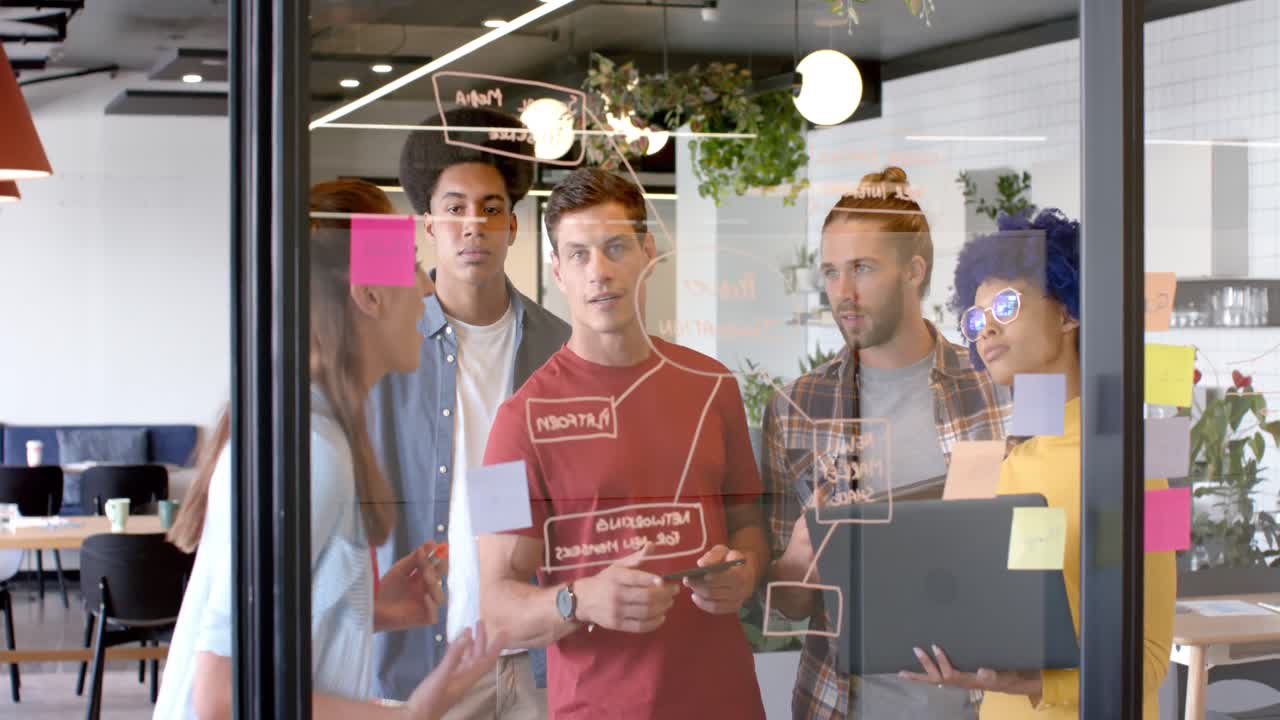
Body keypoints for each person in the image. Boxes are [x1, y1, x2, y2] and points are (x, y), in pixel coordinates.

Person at [155, 180, 503, 720]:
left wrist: (362, 609)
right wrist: (412, 716)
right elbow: (223, 696)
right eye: (411, 266)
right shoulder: (312, 454)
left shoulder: (308, 430)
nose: (426, 290)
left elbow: (265, 637)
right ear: (367, 295)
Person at [475, 167, 768, 719]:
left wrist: (746, 570)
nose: (600, 272)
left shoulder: (715, 386)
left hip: (726, 702)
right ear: (558, 271)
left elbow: (749, 522)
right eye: (579, 254)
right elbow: (494, 608)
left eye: (615, 248)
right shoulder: (514, 421)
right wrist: (579, 599)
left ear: (647, 253)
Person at [898, 209, 1175, 718]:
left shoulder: (1138, 468)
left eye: (1006, 305)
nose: (986, 330)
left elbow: (1152, 661)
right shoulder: (989, 464)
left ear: (1068, 312)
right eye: (976, 319)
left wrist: (1029, 682)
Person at [764, 167, 1011, 720]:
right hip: (839, 704)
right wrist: (800, 557)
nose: (842, 293)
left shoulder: (996, 392)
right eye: (830, 272)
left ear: (913, 271)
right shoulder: (797, 408)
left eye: (863, 269)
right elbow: (784, 609)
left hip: (981, 705)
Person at [367, 107, 570, 716]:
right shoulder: (385, 346)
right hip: (422, 656)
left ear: (513, 225)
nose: (472, 226)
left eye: (489, 209)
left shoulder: (559, 346)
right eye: (453, 209)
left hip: (535, 655)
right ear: (427, 223)